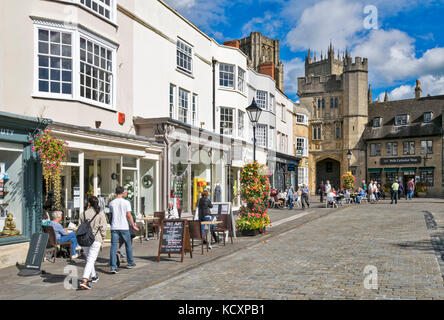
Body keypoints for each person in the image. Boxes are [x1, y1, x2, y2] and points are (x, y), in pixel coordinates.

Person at [79, 196, 107, 290]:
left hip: (84, 239)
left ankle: (94, 276)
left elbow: (80, 227)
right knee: (91, 260)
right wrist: (103, 238)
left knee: (89, 259)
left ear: (89, 203)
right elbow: (103, 228)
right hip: (96, 238)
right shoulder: (100, 214)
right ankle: (84, 281)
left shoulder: (83, 214)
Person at [109, 186, 138, 273]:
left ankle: (113, 267)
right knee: (128, 245)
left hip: (114, 227)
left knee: (113, 247)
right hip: (124, 226)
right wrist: (133, 224)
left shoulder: (111, 203)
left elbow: (111, 215)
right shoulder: (126, 202)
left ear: (115, 193)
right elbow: (129, 215)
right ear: (122, 193)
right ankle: (130, 263)